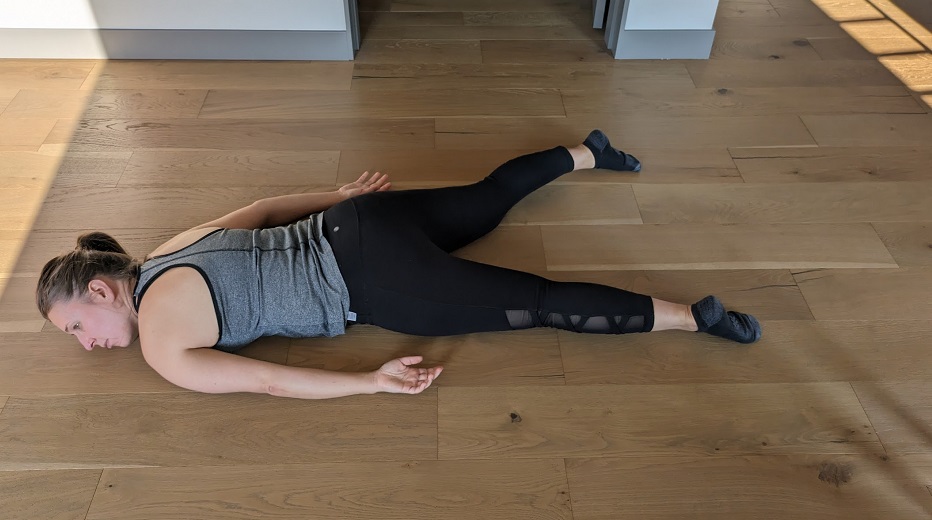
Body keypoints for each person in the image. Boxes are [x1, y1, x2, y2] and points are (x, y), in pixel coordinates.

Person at [36, 130, 761, 400]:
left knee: (535, 303)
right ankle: (586, 152)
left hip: (375, 284)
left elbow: (266, 379)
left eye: (75, 325)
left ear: (101, 289)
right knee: (482, 200)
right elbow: (260, 210)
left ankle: (691, 319)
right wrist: (342, 195)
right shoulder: (165, 251)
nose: (86, 342)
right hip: (357, 222)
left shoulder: (163, 346)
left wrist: (370, 383)